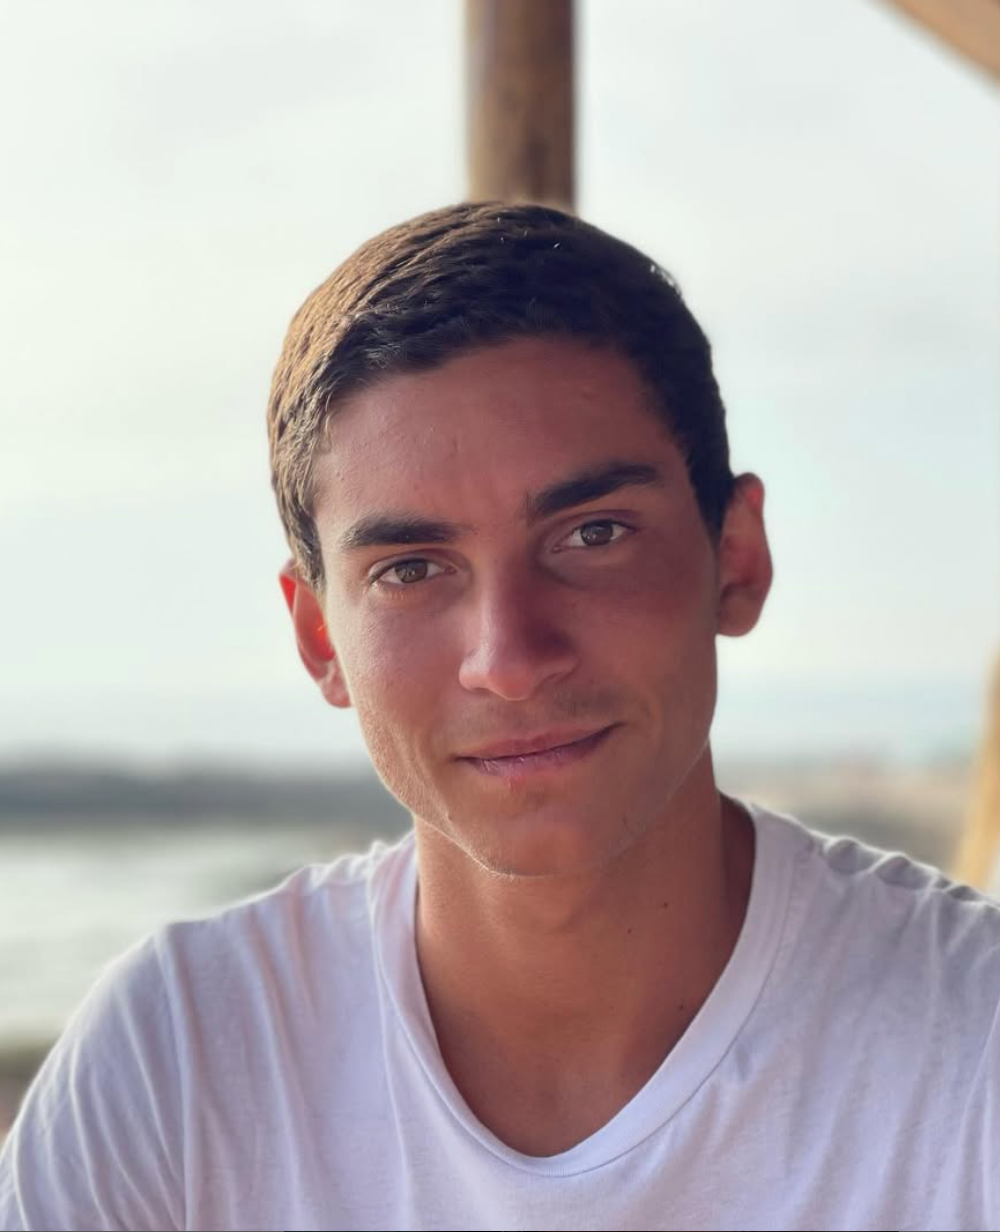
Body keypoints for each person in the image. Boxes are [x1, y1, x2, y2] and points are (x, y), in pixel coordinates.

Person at [2, 202, 999, 1232]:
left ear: (735, 559)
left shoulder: (971, 1049)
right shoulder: (177, 1068)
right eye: (411, 569)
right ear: (319, 637)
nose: (510, 660)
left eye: (593, 533)